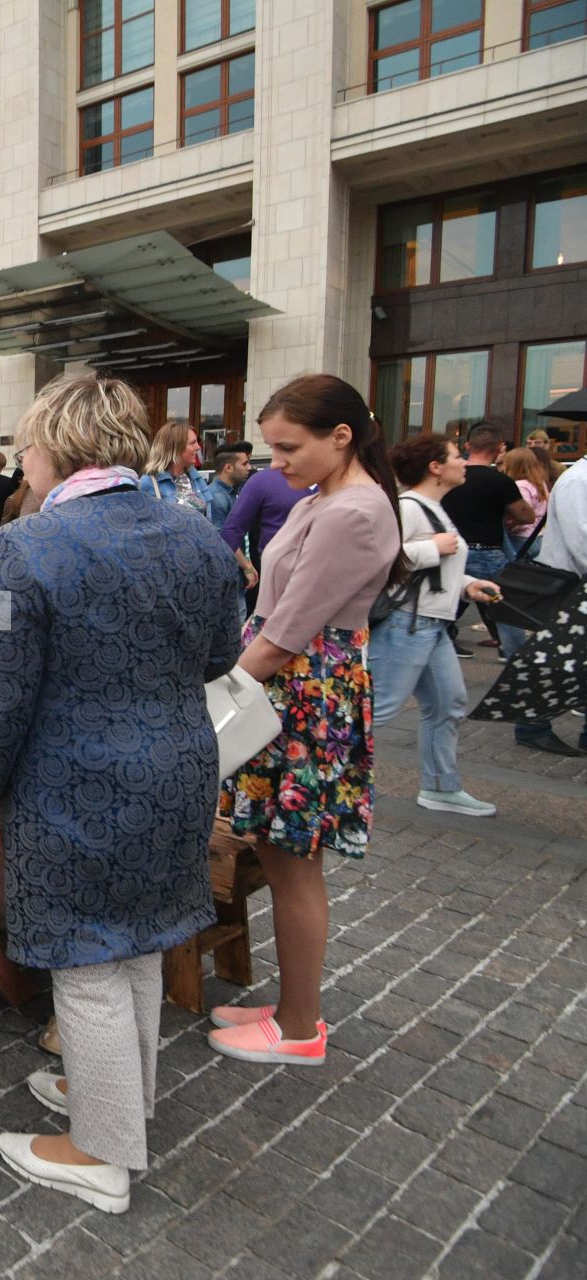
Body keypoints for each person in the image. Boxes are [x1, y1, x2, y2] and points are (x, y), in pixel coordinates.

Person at [0, 372, 241, 1215]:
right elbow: (222, 652)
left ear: (57, 448)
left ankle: (101, 1148)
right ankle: (121, 1102)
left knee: (86, 956)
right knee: (138, 939)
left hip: (76, 777)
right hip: (179, 765)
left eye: (29, 443)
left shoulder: (24, 545)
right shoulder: (193, 533)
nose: (25, 459)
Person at [213, 374, 402, 1069]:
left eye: (289, 448)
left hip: (300, 691)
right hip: (290, 686)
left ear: (341, 436)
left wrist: (220, 698)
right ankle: (293, 1004)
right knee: (275, 850)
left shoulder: (354, 510)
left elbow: (288, 629)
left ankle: (299, 1026)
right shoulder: (329, 498)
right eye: (272, 450)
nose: (278, 464)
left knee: (293, 862)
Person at [367, 434, 502, 817]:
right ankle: (311, 770)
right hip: (408, 623)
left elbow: (437, 571)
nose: (464, 461)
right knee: (377, 708)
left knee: (448, 702)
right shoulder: (409, 508)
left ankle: (441, 787)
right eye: (456, 456)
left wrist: (468, 585)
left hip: (429, 624)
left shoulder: (432, 508)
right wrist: (431, 549)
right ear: (435, 467)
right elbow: (380, 557)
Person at [506, 455, 587, 757]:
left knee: (566, 660)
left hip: (577, 585)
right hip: (571, 585)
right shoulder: (578, 480)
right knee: (555, 661)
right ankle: (531, 726)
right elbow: (582, 539)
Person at [438, 422, 535, 654]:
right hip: (488, 550)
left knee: (447, 602)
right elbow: (525, 515)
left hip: (452, 546)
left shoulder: (451, 479)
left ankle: (438, 642)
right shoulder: (500, 481)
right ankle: (514, 654)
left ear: (469, 445)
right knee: (503, 604)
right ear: (499, 447)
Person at [220, 464, 315, 606]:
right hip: (282, 586)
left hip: (334, 587)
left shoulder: (342, 481)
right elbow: (230, 533)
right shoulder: (264, 481)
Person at [139, 419, 213, 514]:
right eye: (192, 443)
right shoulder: (149, 482)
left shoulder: (196, 478)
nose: (198, 447)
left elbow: (209, 517)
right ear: (175, 448)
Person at [498, 446, 550, 559]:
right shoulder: (540, 483)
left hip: (521, 538)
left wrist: (509, 526)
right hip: (539, 535)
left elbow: (523, 513)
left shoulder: (520, 485)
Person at [203, 442, 254, 530]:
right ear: (228, 468)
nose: (249, 467)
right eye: (244, 464)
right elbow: (221, 537)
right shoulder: (216, 497)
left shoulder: (232, 490)